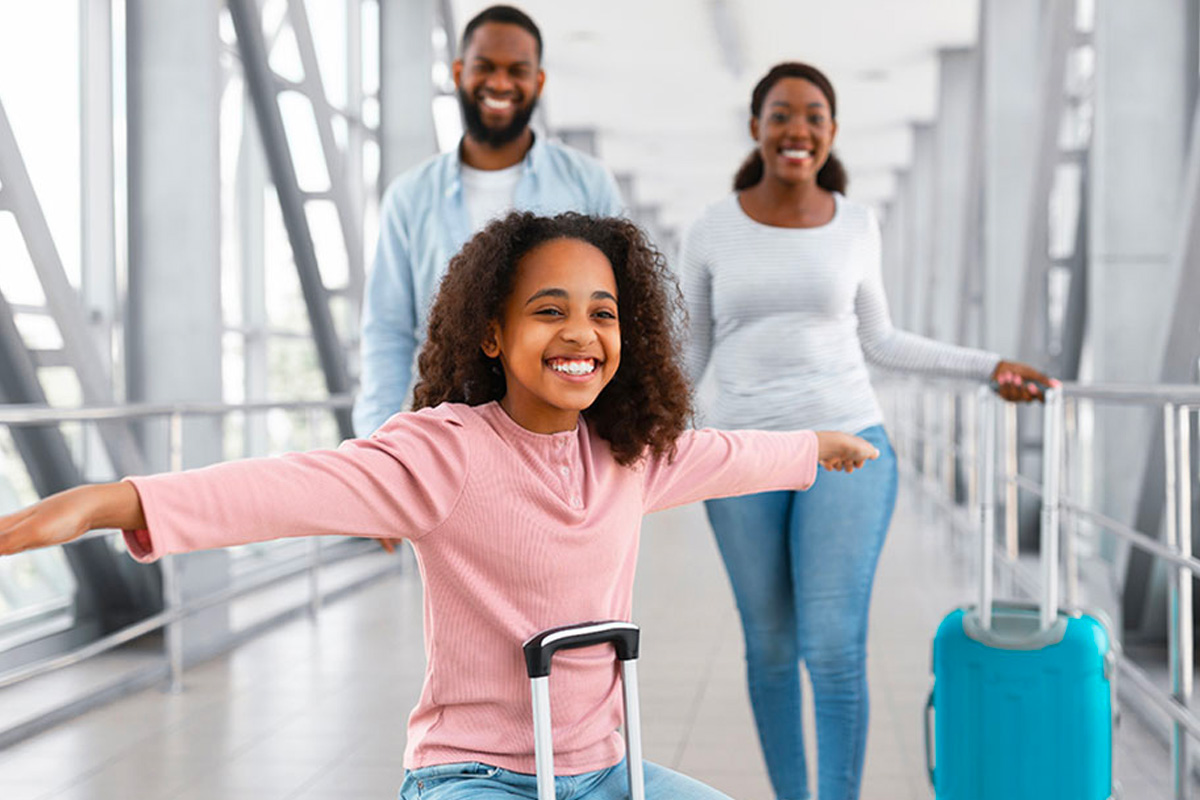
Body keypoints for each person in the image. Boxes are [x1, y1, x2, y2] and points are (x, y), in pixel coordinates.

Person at [0, 212, 879, 800]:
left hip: (604, 769)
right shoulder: (447, 450)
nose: (580, 333)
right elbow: (295, 485)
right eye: (549, 311)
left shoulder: (625, 453)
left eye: (602, 314)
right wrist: (112, 502)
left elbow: (724, 454)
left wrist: (816, 447)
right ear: (494, 333)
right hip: (478, 776)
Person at [678, 62, 1055, 800]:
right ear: (756, 127)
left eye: (814, 115)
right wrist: (614, 437)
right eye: (782, 114)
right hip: (743, 458)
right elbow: (689, 357)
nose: (798, 129)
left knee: (834, 647)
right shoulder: (711, 229)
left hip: (851, 445)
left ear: (832, 132)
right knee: (771, 647)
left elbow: (882, 341)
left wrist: (988, 368)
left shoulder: (855, 222)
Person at [354, 4, 623, 438]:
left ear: (537, 82)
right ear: (459, 72)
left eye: (517, 70)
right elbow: (388, 331)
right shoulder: (410, 196)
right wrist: (377, 441)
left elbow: (619, 309)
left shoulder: (587, 183)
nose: (500, 83)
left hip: (560, 429)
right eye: (485, 67)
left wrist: (615, 431)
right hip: (446, 432)